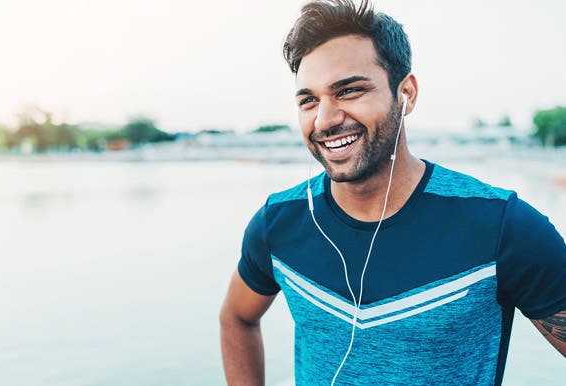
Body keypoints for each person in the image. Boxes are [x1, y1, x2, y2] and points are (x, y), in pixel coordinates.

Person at [219, 1, 566, 385]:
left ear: (406, 94)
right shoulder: (279, 222)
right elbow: (237, 317)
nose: (325, 119)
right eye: (309, 100)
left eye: (349, 91)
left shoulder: (501, 225)